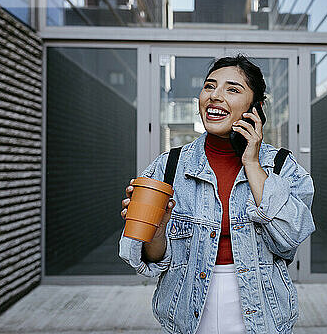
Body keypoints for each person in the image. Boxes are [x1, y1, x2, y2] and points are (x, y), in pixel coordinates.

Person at [119, 55, 315, 334]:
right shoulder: (168, 167)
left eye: (232, 89)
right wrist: (158, 230)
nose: (215, 96)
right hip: (188, 314)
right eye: (210, 86)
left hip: (263, 315)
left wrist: (252, 162)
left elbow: (290, 238)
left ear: (255, 108)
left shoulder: (282, 166)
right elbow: (152, 259)